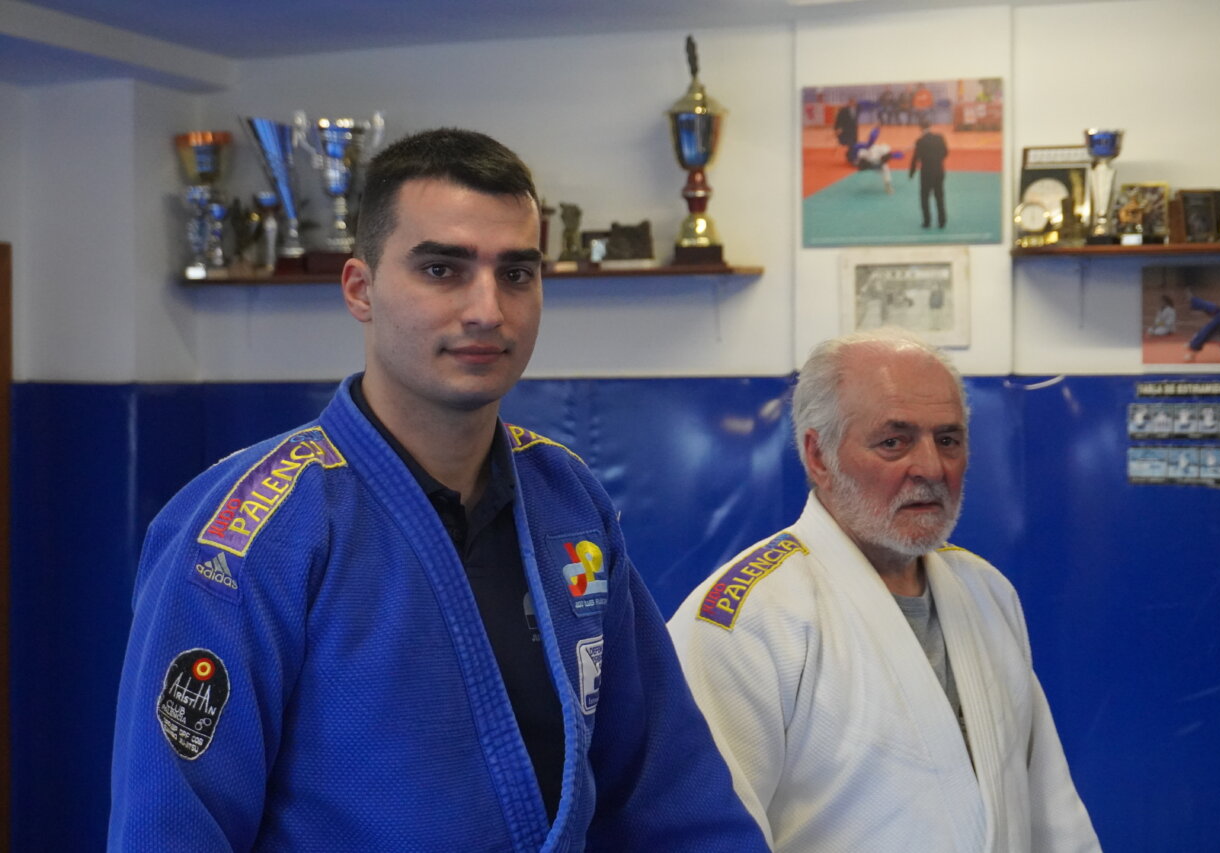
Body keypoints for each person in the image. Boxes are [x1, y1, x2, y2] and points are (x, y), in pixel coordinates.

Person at [109, 128, 769, 852]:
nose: (488, 308)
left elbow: (666, 789)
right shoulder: (247, 533)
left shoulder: (566, 500)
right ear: (360, 289)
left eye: (517, 273)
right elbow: (170, 828)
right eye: (442, 270)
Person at [668, 330, 1101, 852]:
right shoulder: (746, 620)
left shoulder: (987, 592)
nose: (931, 467)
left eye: (948, 439)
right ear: (818, 455)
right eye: (893, 441)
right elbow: (700, 834)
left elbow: (1050, 810)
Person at [909, 118, 949, 228]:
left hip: (926, 172)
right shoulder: (940, 138)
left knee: (924, 197)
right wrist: (937, 160)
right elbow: (946, 153)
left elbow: (915, 158)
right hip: (939, 170)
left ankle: (927, 222)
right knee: (939, 196)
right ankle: (942, 221)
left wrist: (911, 172)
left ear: (920, 128)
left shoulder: (920, 141)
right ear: (930, 126)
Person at [833, 96, 860, 160]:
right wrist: (837, 129)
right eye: (852, 102)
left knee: (853, 144)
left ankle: (850, 156)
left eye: (854, 102)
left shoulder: (857, 109)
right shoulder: (843, 110)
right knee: (850, 144)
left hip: (854, 131)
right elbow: (838, 120)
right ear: (849, 102)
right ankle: (850, 157)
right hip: (846, 130)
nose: (854, 104)